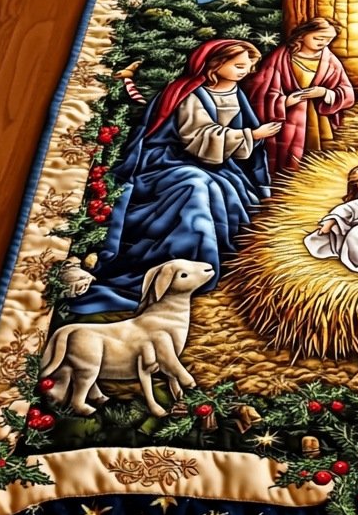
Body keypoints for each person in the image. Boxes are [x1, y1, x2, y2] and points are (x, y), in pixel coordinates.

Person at [72, 39, 280, 314]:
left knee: (230, 189)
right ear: (216, 64)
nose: (247, 71)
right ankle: (184, 264)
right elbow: (198, 137)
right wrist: (251, 135)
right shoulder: (189, 93)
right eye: (239, 65)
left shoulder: (235, 92)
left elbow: (235, 140)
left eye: (249, 66)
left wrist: (251, 137)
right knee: (197, 187)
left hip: (210, 161)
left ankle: (217, 262)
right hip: (165, 159)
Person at [246, 16, 354, 174]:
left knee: (315, 161)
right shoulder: (280, 58)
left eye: (329, 39)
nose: (324, 43)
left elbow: (346, 91)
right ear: (303, 34)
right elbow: (260, 91)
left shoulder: (330, 60)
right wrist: (284, 102)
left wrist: (324, 92)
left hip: (317, 119)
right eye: (319, 38)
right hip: (288, 118)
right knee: (289, 163)